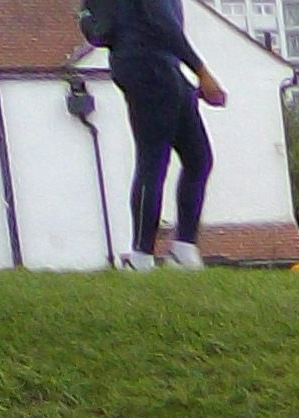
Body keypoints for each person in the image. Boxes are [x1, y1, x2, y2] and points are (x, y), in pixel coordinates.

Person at [85, 0, 222, 267]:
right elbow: (163, 23)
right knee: (153, 161)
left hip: (160, 68)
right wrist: (202, 72)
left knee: (198, 158)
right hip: (149, 68)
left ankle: (182, 248)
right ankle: (141, 257)